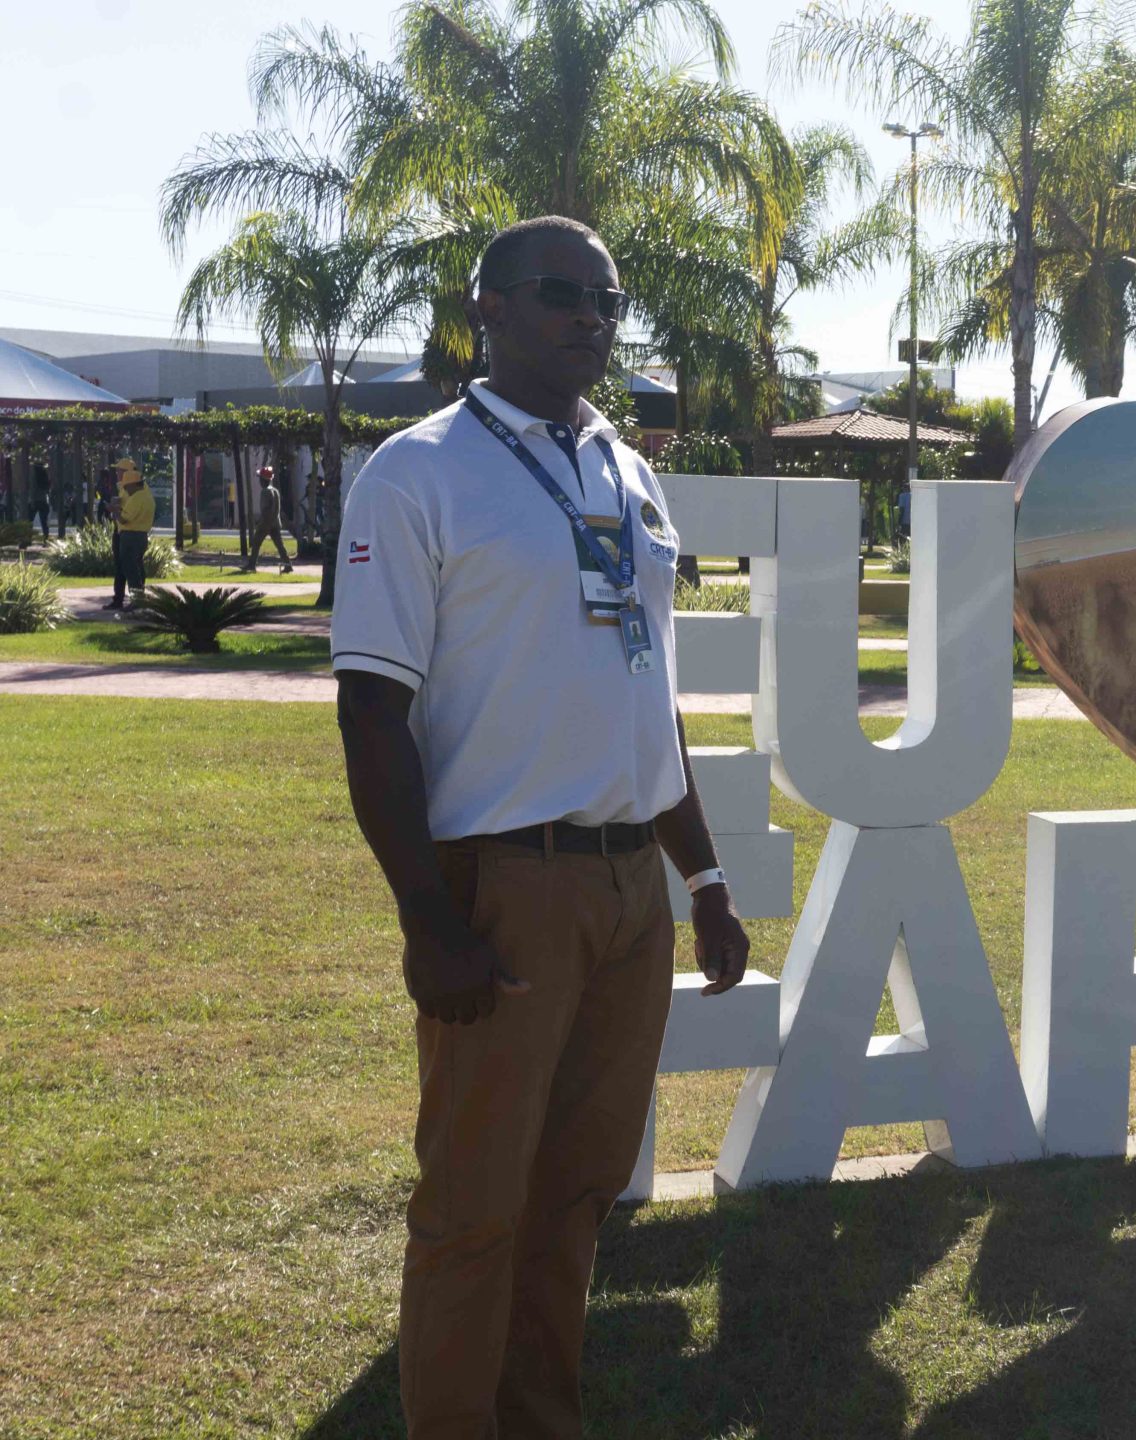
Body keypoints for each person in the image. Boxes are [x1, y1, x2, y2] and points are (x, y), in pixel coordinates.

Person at [331, 214, 752, 1440]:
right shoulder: (418, 471)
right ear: (490, 309)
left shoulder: (625, 469)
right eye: (561, 294)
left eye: (607, 303)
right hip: (506, 886)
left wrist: (704, 879)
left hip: (630, 889)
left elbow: (646, 694)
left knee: (577, 1195)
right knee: (474, 1207)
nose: (589, 319)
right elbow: (370, 712)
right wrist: (428, 919)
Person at [109, 459, 153, 609]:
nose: (117, 473)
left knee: (131, 568)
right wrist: (118, 502)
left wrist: (115, 511)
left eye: (119, 470)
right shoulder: (131, 489)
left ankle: (137, 599)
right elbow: (125, 503)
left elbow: (126, 517)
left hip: (131, 533)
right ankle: (122, 599)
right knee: (126, 566)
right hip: (125, 531)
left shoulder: (137, 494)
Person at [240, 466, 294, 573]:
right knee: (280, 545)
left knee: (256, 543)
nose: (259, 481)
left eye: (260, 478)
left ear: (263, 480)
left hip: (266, 523)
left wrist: (260, 522)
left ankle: (252, 564)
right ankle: (288, 565)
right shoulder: (275, 491)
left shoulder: (265, 492)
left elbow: (265, 509)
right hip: (275, 522)